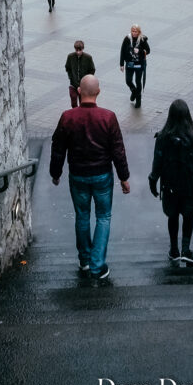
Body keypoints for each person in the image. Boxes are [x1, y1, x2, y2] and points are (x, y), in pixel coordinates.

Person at [50, 75, 130, 280]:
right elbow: (118, 150)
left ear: (78, 91)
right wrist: (123, 177)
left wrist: (55, 173)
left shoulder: (67, 117)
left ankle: (85, 260)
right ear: (99, 92)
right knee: (103, 217)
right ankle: (97, 265)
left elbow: (58, 148)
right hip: (102, 175)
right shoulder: (108, 117)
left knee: (82, 216)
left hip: (77, 175)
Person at [148, 99, 193, 265]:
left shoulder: (163, 137)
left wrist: (153, 181)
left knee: (172, 216)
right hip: (189, 184)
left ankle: (174, 249)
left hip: (170, 185)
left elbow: (157, 163)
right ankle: (186, 249)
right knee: (188, 217)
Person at [120, 24, 150, 108]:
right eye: (132, 31)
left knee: (138, 82)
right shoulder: (127, 39)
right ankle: (133, 91)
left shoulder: (142, 39)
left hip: (139, 65)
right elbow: (122, 51)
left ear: (139, 32)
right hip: (129, 63)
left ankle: (138, 99)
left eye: (135, 31)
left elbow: (148, 50)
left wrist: (140, 51)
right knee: (128, 81)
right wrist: (121, 64)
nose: (133, 33)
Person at [65, 40, 96, 108]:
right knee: (73, 100)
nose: (78, 52)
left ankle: (80, 114)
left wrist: (87, 80)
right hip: (73, 84)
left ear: (83, 49)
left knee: (82, 102)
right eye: (76, 50)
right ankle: (75, 112)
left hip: (84, 85)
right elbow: (67, 68)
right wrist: (71, 77)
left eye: (80, 50)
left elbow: (92, 69)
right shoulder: (70, 57)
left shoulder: (88, 58)